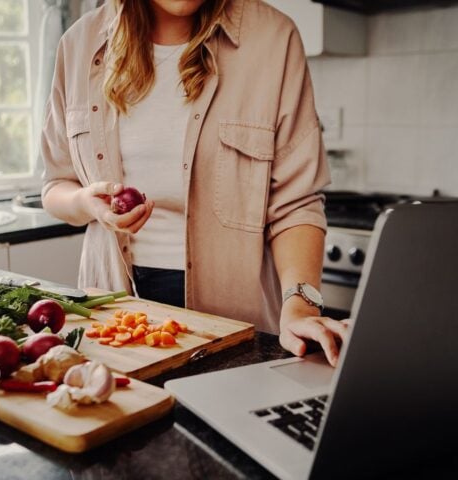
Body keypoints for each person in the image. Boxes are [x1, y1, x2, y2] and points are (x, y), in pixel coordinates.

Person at [41, 0, 348, 366]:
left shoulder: (273, 38)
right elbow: (56, 185)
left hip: (236, 327)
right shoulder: (78, 45)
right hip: (114, 323)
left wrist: (300, 306)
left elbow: (296, 203)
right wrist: (85, 202)